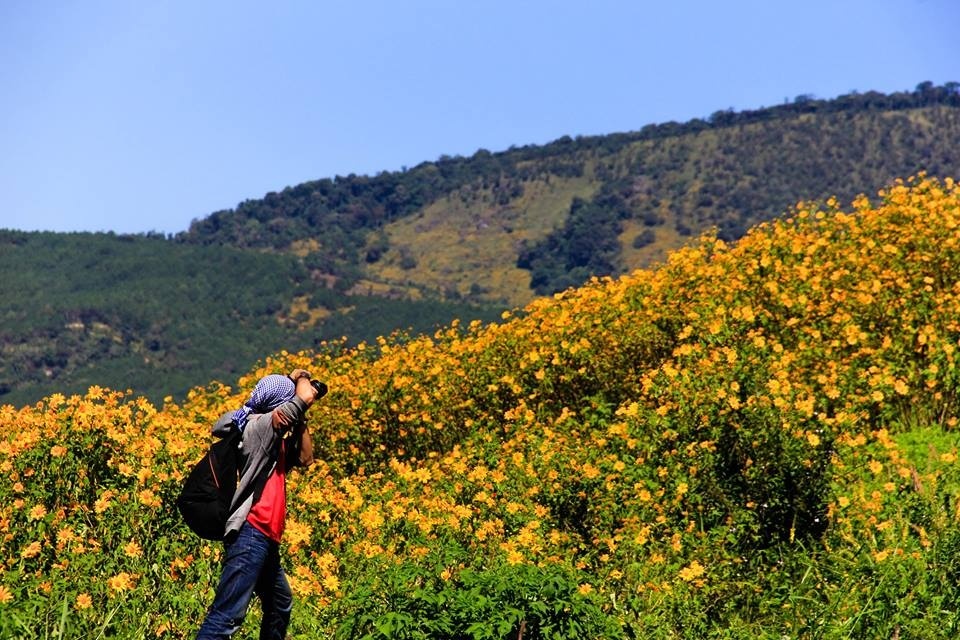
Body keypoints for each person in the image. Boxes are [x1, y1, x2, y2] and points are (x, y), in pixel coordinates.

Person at [196, 369, 325, 640]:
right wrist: (301, 377)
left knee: (279, 605)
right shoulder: (261, 427)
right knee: (227, 615)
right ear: (279, 405)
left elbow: (305, 458)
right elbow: (306, 396)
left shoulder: (271, 438)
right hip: (251, 532)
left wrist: (300, 418)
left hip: (264, 537)